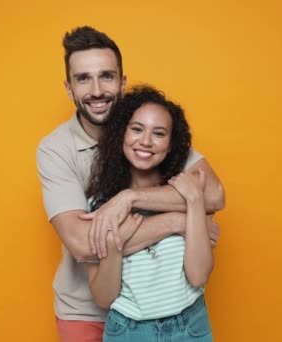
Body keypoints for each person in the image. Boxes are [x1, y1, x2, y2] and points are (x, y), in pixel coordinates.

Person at [36, 26, 225, 342]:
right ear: (69, 89)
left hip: (175, 314)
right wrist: (181, 221)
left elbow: (214, 194)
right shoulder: (55, 149)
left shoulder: (149, 129)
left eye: (107, 76)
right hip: (87, 309)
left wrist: (128, 199)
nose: (97, 90)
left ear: (122, 82)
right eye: (84, 78)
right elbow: (85, 245)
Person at [86, 85, 214, 341]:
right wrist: (115, 245)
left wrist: (196, 201)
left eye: (159, 133)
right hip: (129, 331)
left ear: (171, 145)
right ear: (121, 134)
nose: (145, 141)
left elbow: (199, 275)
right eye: (136, 129)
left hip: (190, 327)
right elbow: (103, 297)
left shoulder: (185, 195)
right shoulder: (103, 205)